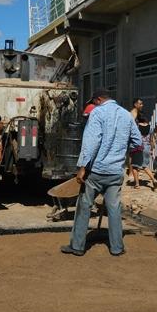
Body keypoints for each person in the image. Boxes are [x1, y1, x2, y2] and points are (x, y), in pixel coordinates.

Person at [61, 89, 142, 257]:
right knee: (114, 209)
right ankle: (117, 248)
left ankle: (77, 246)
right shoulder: (127, 115)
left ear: (98, 100)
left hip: (96, 172)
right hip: (115, 172)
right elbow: (138, 141)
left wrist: (82, 167)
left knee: (84, 206)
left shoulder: (97, 113)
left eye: (94, 102)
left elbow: (92, 141)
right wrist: (123, 153)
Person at [130, 115, 157, 190]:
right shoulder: (151, 127)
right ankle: (153, 179)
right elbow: (152, 140)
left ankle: (137, 184)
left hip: (138, 148)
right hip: (147, 147)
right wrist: (152, 149)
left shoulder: (136, 127)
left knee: (135, 166)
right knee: (145, 165)